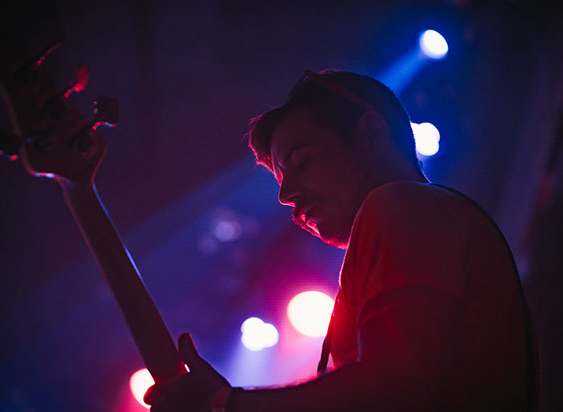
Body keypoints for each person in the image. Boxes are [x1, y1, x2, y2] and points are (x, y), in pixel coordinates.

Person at [144, 70, 539, 411]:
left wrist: (226, 404)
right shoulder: (433, 217)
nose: (286, 196)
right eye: (281, 180)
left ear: (370, 134)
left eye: (302, 162)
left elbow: (395, 390)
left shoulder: (400, 204)